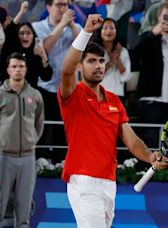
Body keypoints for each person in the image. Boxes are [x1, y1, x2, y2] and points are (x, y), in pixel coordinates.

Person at [59, 14, 168, 228]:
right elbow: (66, 69)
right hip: (83, 180)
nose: (98, 65)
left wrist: (150, 156)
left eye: (101, 61)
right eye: (91, 61)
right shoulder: (72, 94)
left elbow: (131, 139)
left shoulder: (114, 101)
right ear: (80, 67)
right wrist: (86, 32)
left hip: (109, 182)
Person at [0, 52, 44, 228]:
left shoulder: (35, 96)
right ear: (8, 70)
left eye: (21, 66)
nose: (18, 70)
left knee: (24, 212)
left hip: (27, 158)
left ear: (26, 69)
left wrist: (30, 142)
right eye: (14, 66)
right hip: (4, 158)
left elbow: (39, 124)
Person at [31, 0, 82, 121]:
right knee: (45, 129)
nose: (63, 8)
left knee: (66, 132)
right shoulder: (37, 27)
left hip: (70, 89)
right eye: (59, 4)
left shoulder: (77, 28)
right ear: (48, 7)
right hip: (45, 87)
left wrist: (72, 25)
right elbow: (45, 48)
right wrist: (62, 25)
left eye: (65, 5)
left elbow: (85, 47)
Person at [133, 2, 168, 147]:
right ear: (158, 17)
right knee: (150, 141)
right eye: (165, 16)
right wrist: (154, 33)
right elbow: (135, 56)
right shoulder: (149, 38)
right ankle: (145, 170)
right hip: (151, 99)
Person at [0, 1, 52, 89]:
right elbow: (9, 32)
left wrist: (43, 57)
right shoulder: (10, 50)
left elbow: (46, 77)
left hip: (30, 95)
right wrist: (21, 12)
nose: (25, 36)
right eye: (21, 33)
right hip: (9, 92)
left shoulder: (37, 53)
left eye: (28, 33)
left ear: (33, 36)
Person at [93, 18, 131, 101]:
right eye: (105, 28)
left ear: (116, 31)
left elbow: (126, 77)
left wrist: (117, 61)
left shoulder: (123, 51)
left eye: (112, 28)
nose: (108, 31)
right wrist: (111, 61)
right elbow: (94, 75)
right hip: (98, 94)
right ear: (100, 31)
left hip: (117, 95)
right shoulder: (94, 51)